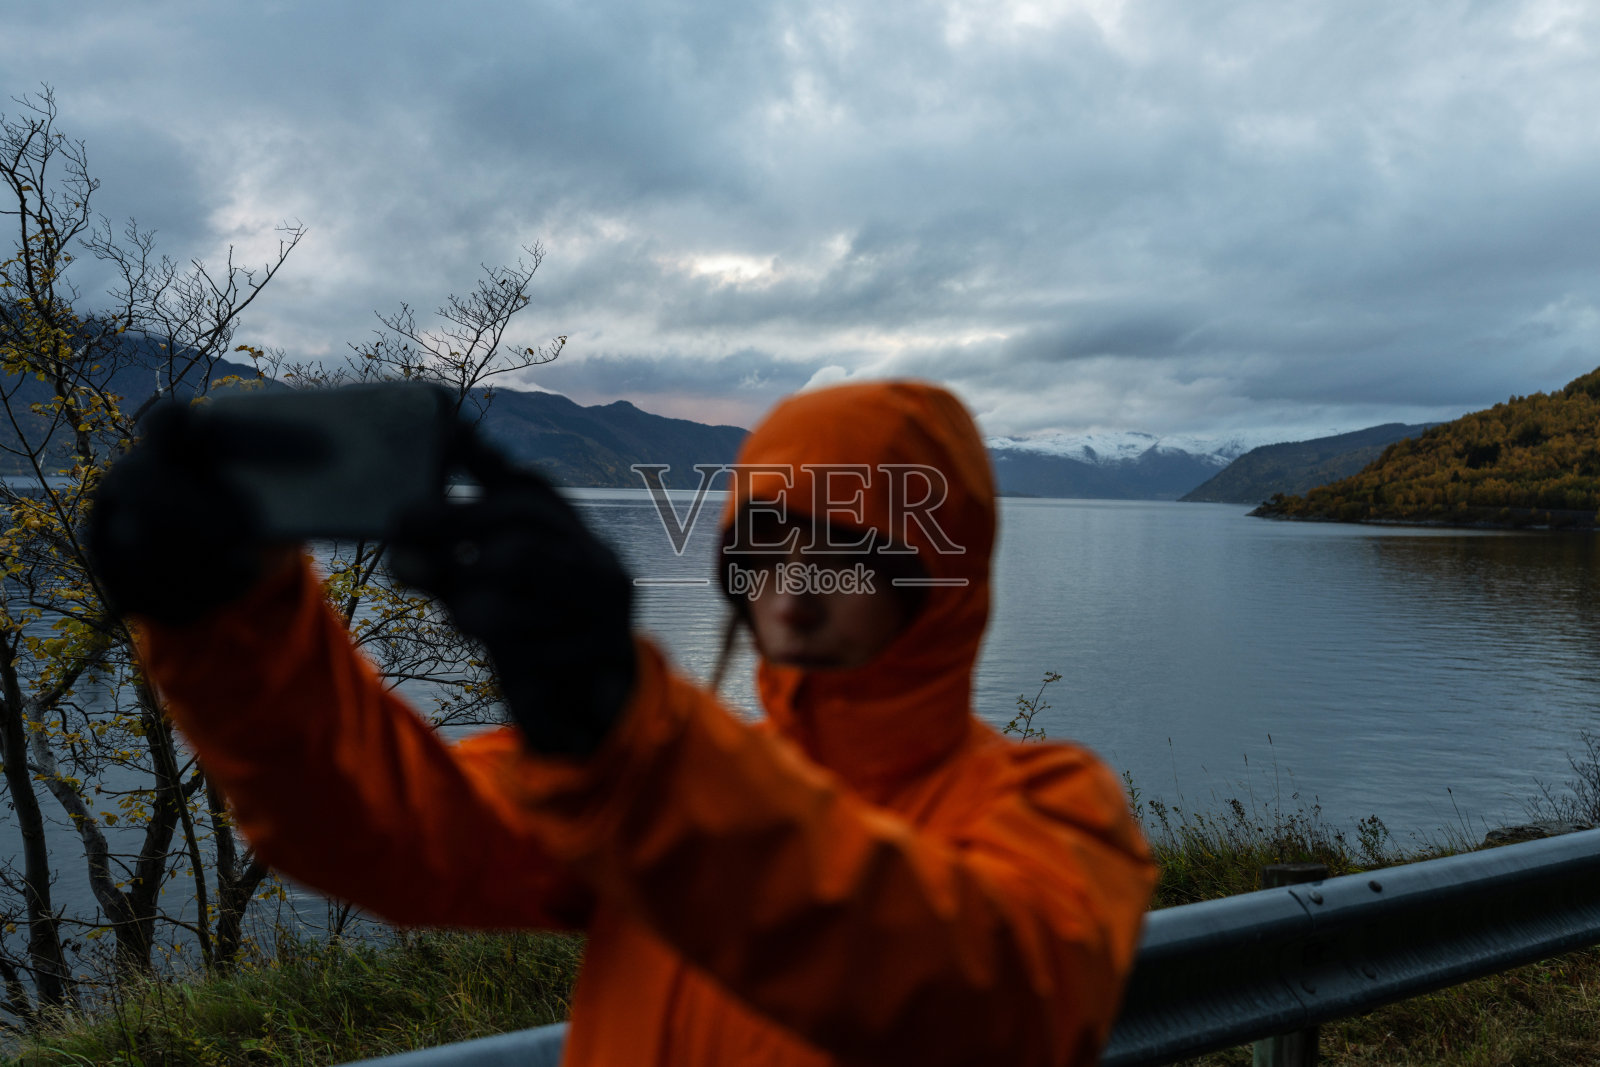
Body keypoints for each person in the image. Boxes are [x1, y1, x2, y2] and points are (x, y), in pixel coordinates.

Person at [88, 379, 1155, 1066]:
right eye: (762, 547)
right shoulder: (651, 777)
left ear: (939, 576)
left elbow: (993, 1001)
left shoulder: (1054, 805)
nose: (791, 592)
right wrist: (223, 622)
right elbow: (382, 829)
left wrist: (628, 733)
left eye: (846, 550)